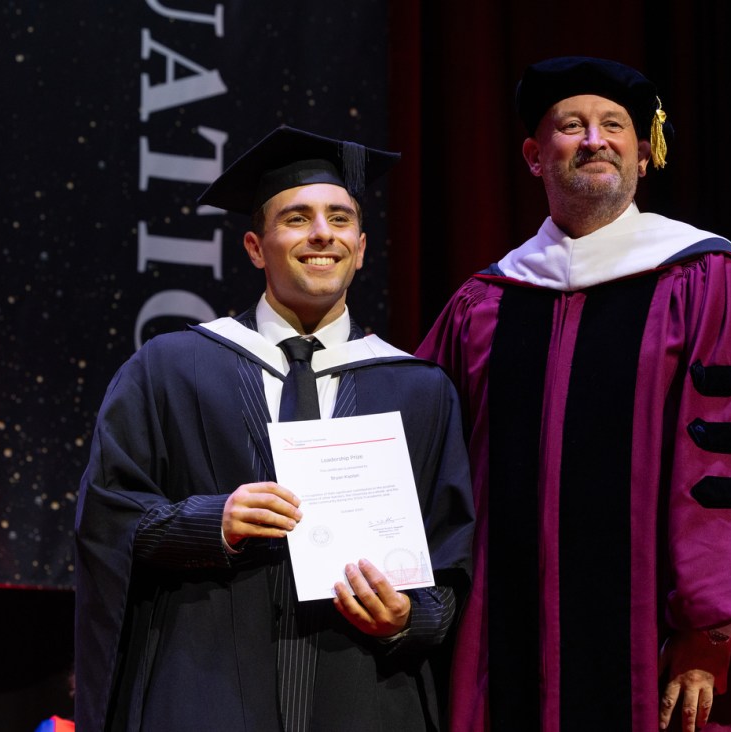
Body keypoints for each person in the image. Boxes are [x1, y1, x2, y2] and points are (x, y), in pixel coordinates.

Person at [415, 56, 731, 732]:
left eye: (614, 125)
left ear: (644, 154)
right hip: (505, 651)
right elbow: (420, 460)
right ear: (535, 156)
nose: (594, 139)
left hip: (663, 654)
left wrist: (713, 631)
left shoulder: (707, 279)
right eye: (572, 125)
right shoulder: (485, 302)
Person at [75, 125, 475, 732]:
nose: (322, 233)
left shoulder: (419, 390)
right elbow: (107, 518)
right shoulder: (171, 369)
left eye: (339, 218)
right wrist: (212, 522)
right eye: (296, 218)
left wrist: (406, 619)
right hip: (204, 687)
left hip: (364, 693)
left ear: (361, 248)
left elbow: (452, 566)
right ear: (256, 247)